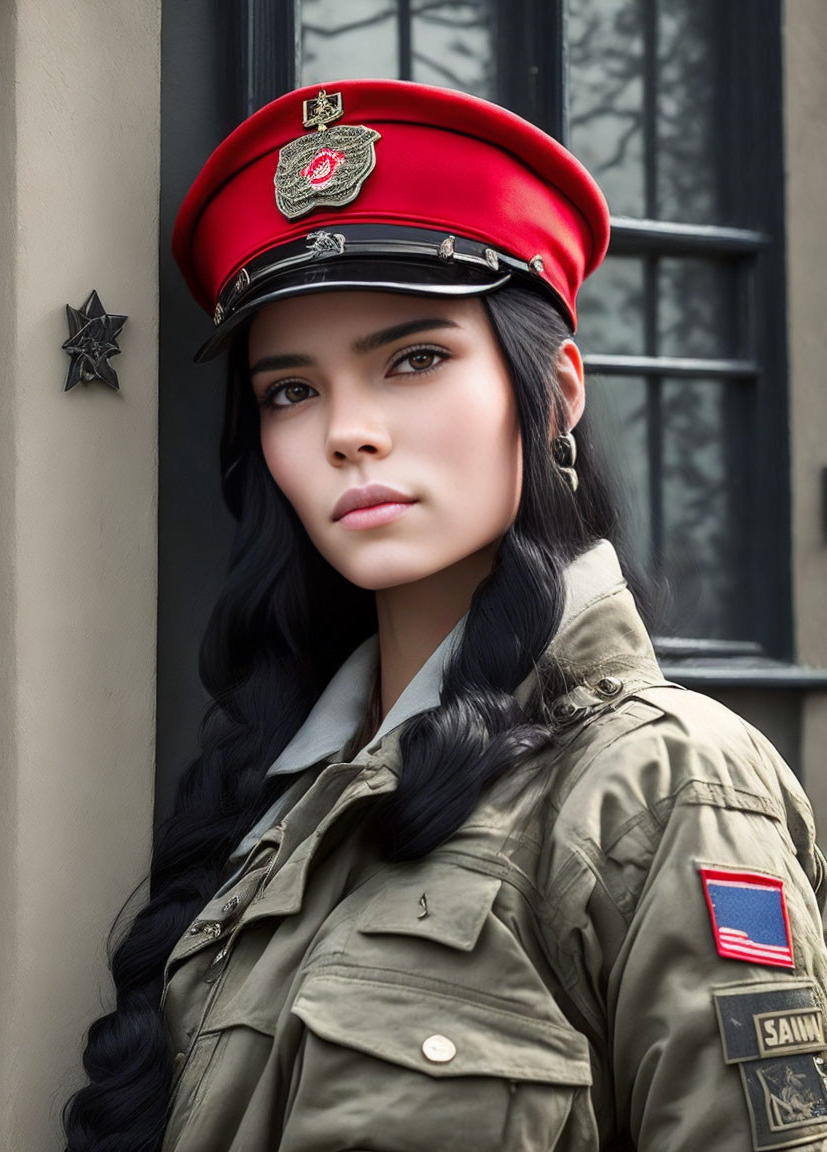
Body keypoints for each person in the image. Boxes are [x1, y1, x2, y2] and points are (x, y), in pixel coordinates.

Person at [63, 79, 827, 1152]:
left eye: (412, 360)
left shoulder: (660, 786)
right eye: (291, 390)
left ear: (555, 391)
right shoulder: (274, 794)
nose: (348, 432)